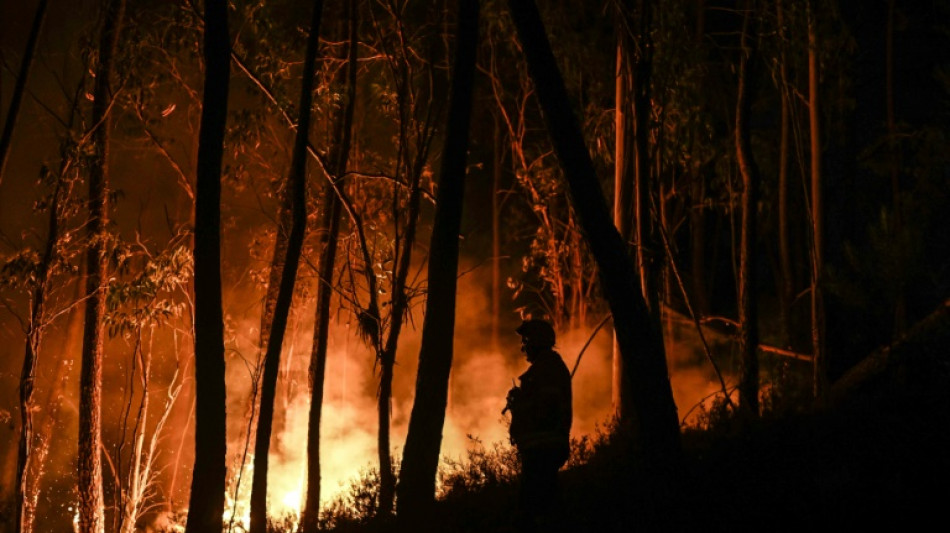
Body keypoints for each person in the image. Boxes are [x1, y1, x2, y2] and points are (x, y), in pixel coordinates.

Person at [505, 318, 572, 529]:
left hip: (542, 449)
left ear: (537, 341)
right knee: (544, 505)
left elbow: (545, 411)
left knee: (532, 508)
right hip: (541, 449)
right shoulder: (547, 368)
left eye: (526, 340)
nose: (523, 346)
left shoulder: (547, 370)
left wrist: (520, 402)